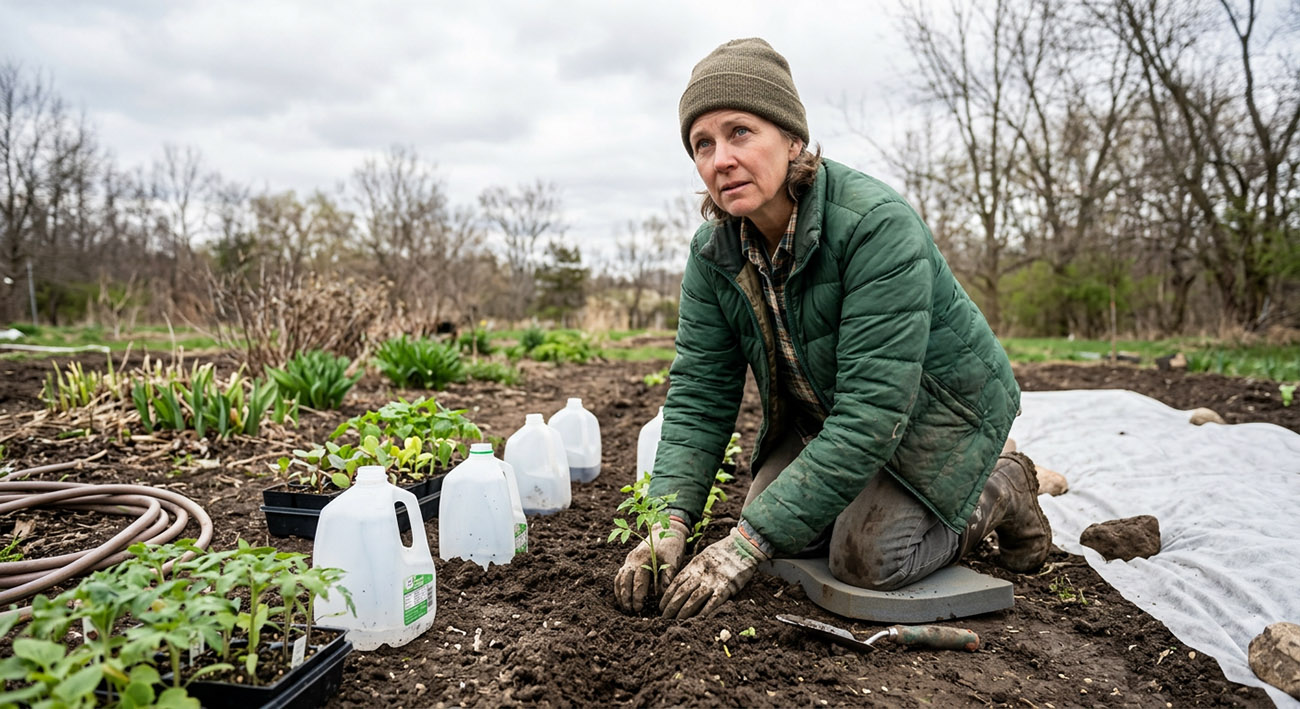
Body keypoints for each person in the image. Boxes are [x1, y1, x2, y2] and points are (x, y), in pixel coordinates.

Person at [613, 38, 1052, 620]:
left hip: (939, 413)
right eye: (702, 143)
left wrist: (743, 546)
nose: (720, 159)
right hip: (830, 413)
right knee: (776, 532)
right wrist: (665, 523)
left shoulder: (874, 227)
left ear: (792, 139)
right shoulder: (714, 254)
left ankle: (1005, 484)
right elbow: (699, 395)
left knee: (867, 559)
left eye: (740, 132)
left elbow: (874, 413)